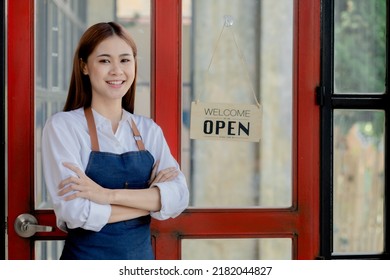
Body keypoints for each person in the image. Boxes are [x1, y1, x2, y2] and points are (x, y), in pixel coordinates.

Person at [42, 22, 189, 260]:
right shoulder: (63, 127)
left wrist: (106, 195)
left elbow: (179, 198)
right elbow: (75, 212)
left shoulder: (148, 130)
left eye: (124, 60)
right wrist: (150, 200)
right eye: (104, 60)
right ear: (85, 67)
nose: (116, 71)